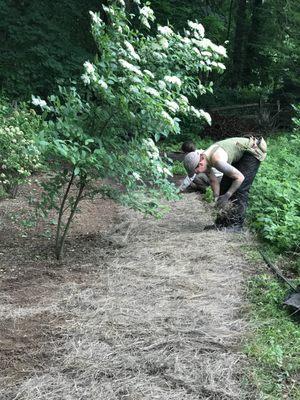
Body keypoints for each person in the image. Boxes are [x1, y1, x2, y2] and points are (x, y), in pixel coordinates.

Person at [183, 136, 267, 231]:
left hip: (251, 152)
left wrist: (227, 195)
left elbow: (240, 178)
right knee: (224, 186)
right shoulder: (204, 160)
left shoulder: (217, 161)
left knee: (240, 189)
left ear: (200, 162)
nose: (196, 173)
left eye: (196, 171)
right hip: (239, 154)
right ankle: (221, 223)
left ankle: (237, 225)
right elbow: (213, 181)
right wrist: (216, 197)